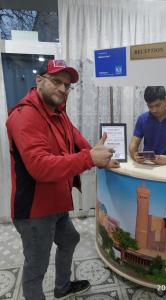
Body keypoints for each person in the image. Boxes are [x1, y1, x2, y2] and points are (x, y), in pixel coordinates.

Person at [6, 59, 119, 300]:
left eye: (67, 85)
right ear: (39, 80)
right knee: (36, 267)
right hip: (35, 210)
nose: (62, 89)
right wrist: (90, 158)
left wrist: (99, 155)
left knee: (70, 239)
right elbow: (40, 166)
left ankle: (62, 287)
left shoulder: (57, 111)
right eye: (56, 82)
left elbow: (74, 137)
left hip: (56, 202)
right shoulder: (25, 116)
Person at [129, 86, 166, 165]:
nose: (154, 110)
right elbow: (133, 143)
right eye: (150, 106)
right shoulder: (142, 119)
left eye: (157, 105)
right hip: (147, 165)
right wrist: (134, 155)